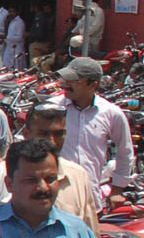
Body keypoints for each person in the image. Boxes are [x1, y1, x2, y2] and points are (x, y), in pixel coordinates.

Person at [53, 57, 134, 202]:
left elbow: (125, 152)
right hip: (57, 196)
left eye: (74, 81)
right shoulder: (53, 109)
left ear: (93, 85)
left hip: (90, 196)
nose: (66, 85)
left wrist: (117, 189)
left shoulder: (111, 113)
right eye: (66, 80)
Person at [20, 103, 103, 238]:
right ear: (26, 134)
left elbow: (90, 234)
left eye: (58, 134)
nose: (52, 141)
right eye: (43, 134)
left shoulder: (78, 175)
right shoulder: (6, 173)